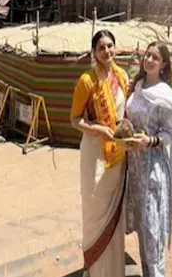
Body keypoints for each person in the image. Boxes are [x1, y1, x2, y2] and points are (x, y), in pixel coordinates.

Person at [124, 42, 172, 277]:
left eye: (155, 57)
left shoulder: (165, 95)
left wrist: (149, 141)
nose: (149, 60)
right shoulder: (137, 86)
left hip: (153, 171)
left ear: (163, 65)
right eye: (147, 55)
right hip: (134, 170)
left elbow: (171, 134)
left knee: (153, 234)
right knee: (144, 234)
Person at [70, 30, 129, 277]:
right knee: (95, 211)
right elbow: (74, 119)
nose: (107, 51)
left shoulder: (122, 76)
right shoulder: (86, 81)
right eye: (101, 47)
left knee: (115, 212)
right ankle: (95, 269)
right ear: (94, 52)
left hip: (118, 155)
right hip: (95, 154)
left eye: (110, 46)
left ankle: (114, 269)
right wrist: (98, 129)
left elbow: (126, 112)